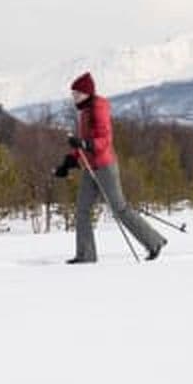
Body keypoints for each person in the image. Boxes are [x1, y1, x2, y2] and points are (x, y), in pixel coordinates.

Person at [53, 72, 167, 263]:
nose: (74, 97)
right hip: (91, 168)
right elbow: (83, 143)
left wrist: (84, 144)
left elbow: (104, 140)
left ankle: (153, 242)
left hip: (105, 167)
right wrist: (69, 162)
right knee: (81, 209)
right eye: (73, 94)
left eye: (77, 94)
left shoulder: (98, 108)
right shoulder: (85, 112)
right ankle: (86, 255)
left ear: (87, 93)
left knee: (119, 209)